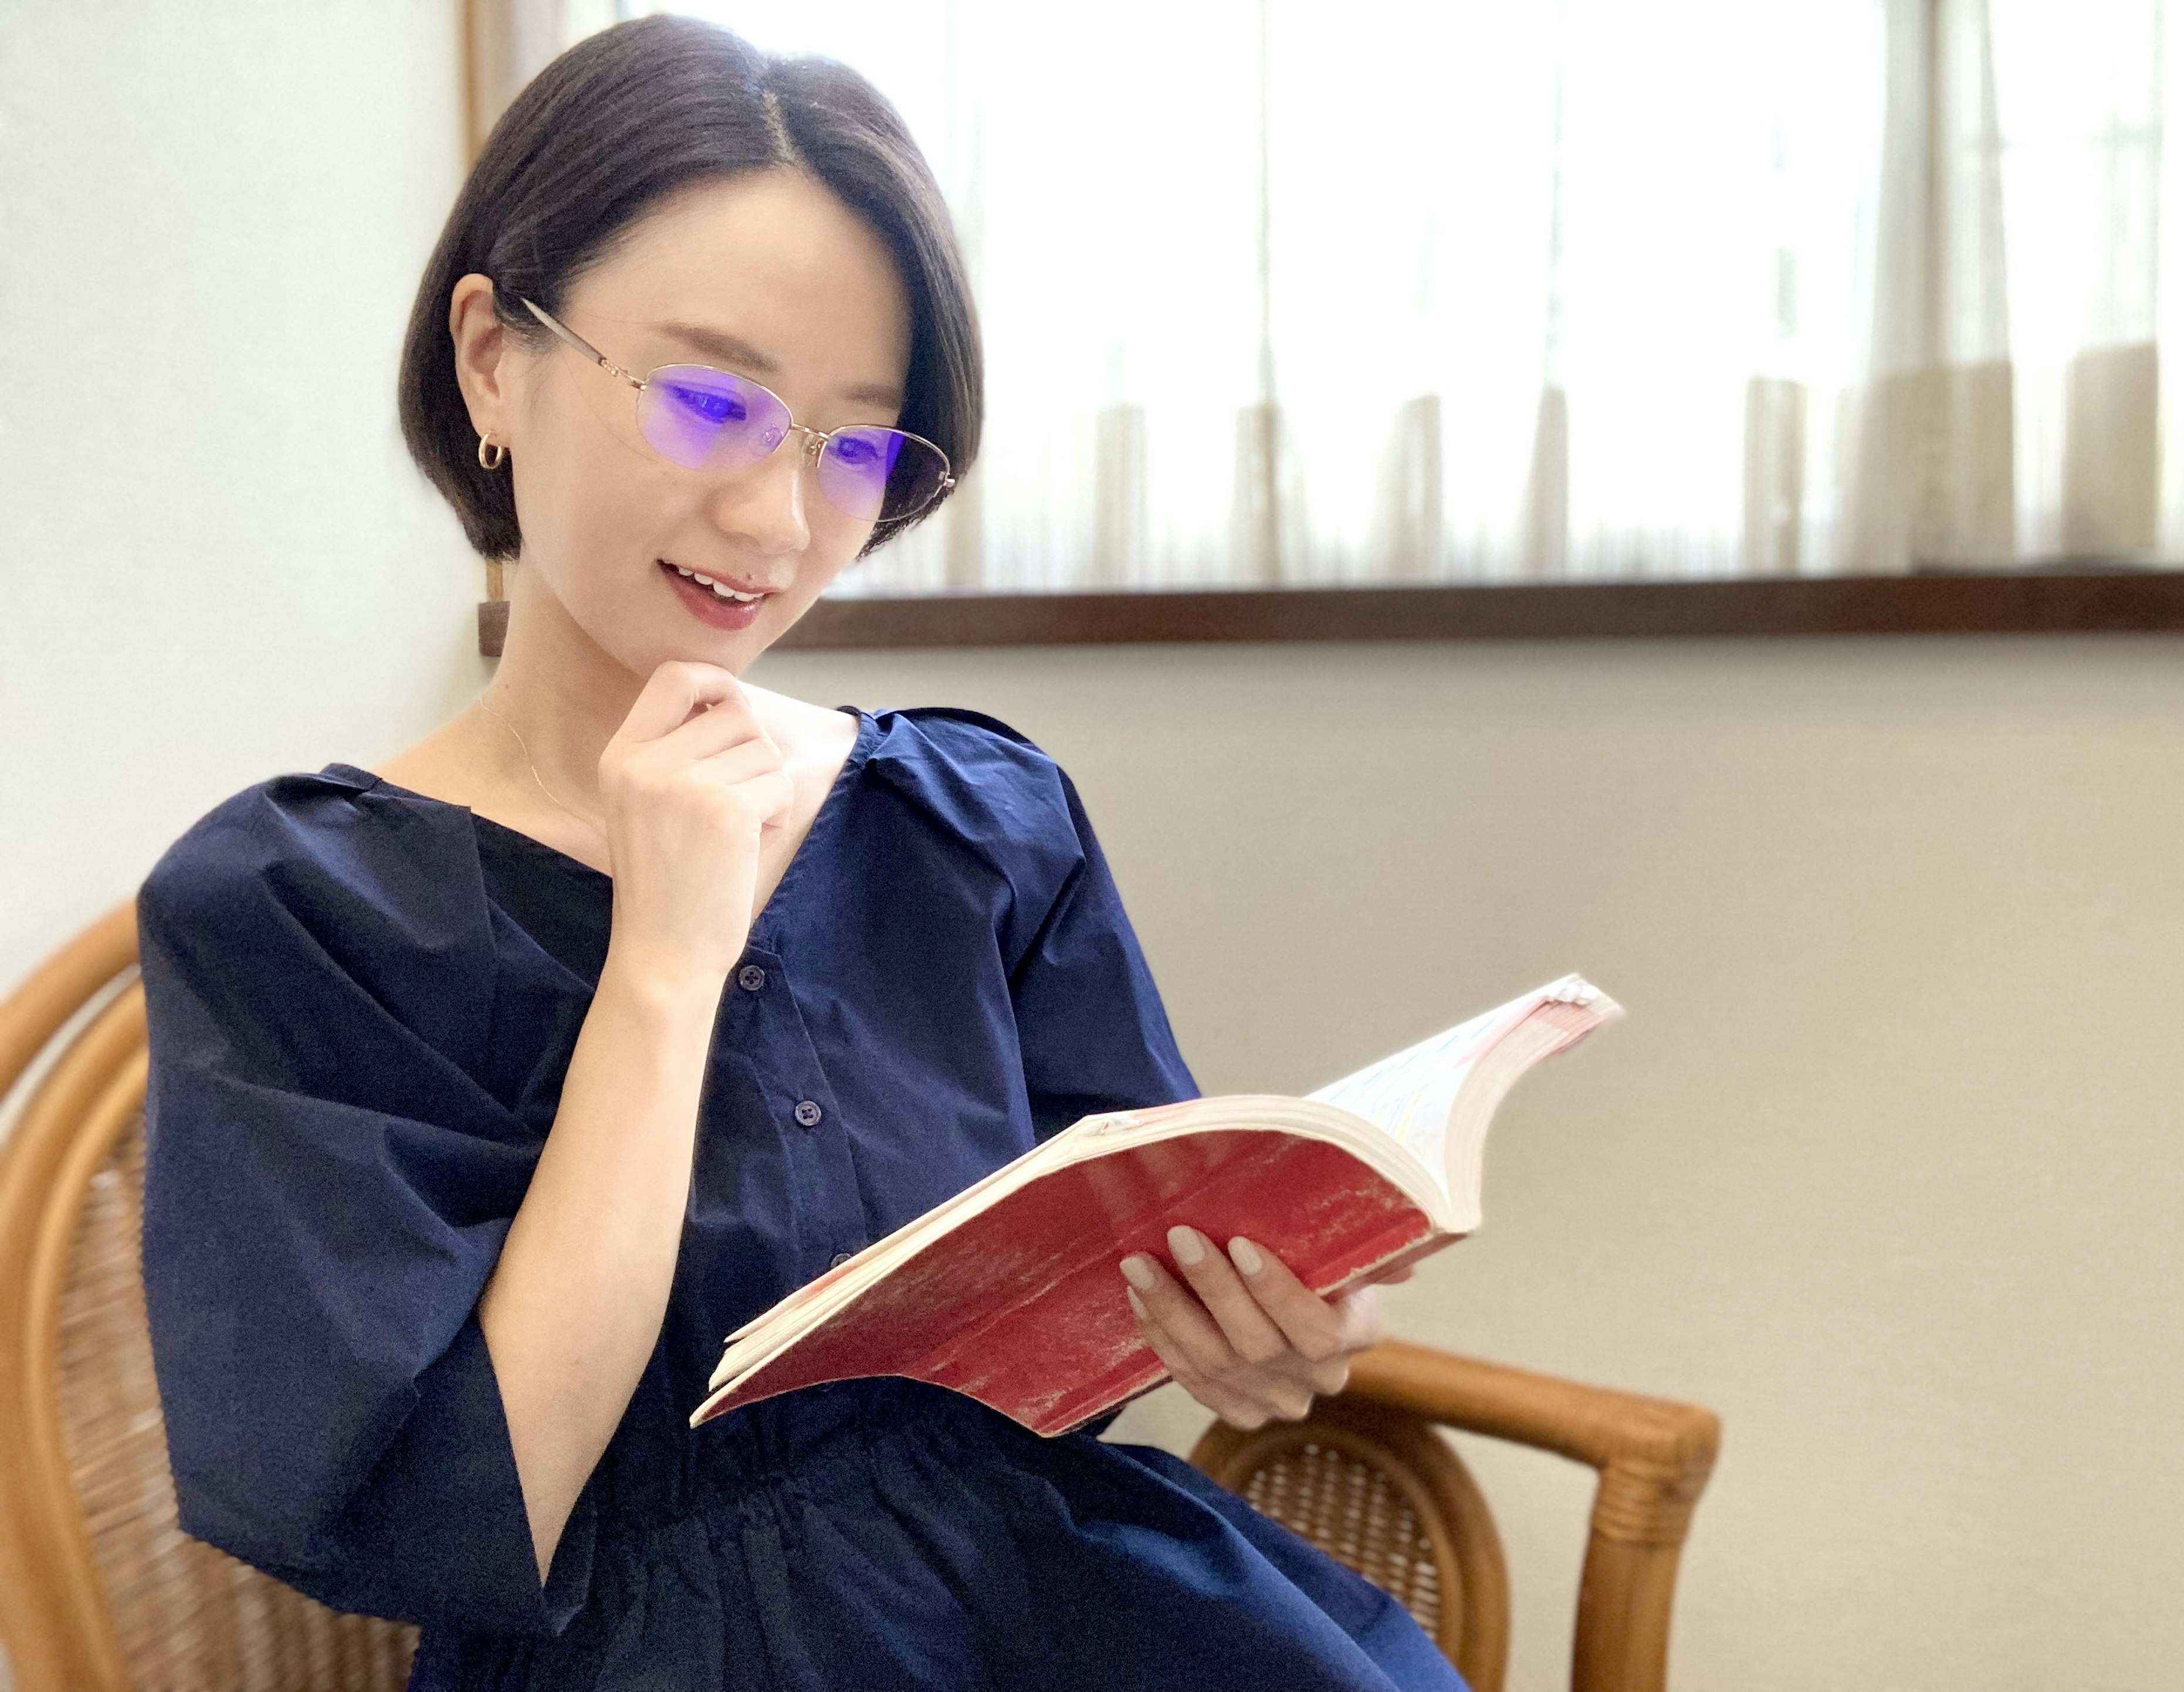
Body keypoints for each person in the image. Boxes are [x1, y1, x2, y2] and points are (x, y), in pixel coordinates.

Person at [134, 17, 1464, 1690]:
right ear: (492, 357)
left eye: (853, 446)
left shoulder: (972, 818)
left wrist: (1256, 1330)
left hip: (1064, 1606)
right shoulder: (298, 911)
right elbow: (462, 1511)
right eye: (706, 399)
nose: (780, 525)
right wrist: (666, 960)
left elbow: (1087, 1307)